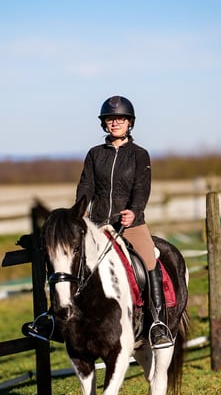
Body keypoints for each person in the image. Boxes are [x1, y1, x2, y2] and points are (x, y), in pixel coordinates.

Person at [74, 95, 174, 349]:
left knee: (149, 259)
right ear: (104, 124)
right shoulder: (95, 154)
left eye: (120, 118)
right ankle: (60, 318)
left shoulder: (140, 155)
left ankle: (158, 324)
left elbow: (142, 187)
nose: (114, 122)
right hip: (98, 224)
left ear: (129, 123)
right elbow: (86, 185)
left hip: (130, 224)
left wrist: (134, 210)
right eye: (110, 119)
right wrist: (81, 210)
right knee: (71, 260)